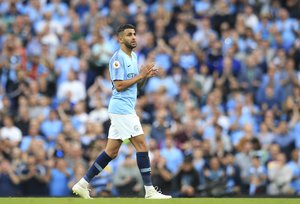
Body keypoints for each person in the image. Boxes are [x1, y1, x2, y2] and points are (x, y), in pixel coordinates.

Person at [72, 24, 171, 199]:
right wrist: (140, 76)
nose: (133, 37)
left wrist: (144, 77)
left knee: (111, 152)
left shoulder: (133, 57)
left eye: (134, 34)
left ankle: (82, 184)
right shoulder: (117, 58)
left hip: (125, 108)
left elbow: (135, 85)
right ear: (120, 39)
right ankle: (149, 191)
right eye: (129, 35)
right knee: (142, 146)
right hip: (122, 109)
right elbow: (118, 85)